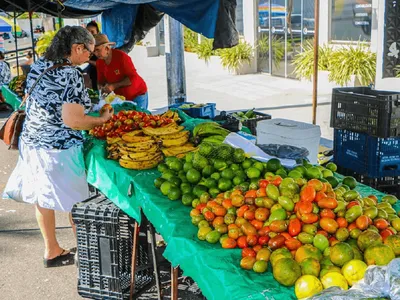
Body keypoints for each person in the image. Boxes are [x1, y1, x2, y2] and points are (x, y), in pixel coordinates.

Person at [3, 26, 113, 268]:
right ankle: (86, 259)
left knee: (43, 199)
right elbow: (73, 121)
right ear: (77, 48)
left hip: (32, 144)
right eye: (89, 52)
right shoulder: (70, 74)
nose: (90, 57)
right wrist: (102, 120)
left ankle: (52, 250)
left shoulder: (40, 65)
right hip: (58, 149)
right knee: (76, 203)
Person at [94, 34, 148, 109]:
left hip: (137, 94)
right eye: (94, 51)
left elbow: (132, 78)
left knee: (139, 119)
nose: (96, 54)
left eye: (97, 50)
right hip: (121, 99)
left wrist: (113, 86)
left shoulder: (121, 57)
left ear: (107, 48)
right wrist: (101, 89)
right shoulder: (99, 62)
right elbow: (100, 81)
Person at [84, 21, 100, 89]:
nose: (90, 34)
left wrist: (87, 60)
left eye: (92, 32)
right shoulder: (88, 45)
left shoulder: (100, 46)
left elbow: (102, 64)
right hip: (92, 74)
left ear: (97, 33)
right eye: (88, 32)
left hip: (101, 76)